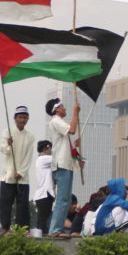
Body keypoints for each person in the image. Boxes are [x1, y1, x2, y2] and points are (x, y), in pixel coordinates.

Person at [45, 98, 80, 238]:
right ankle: (55, 229)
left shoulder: (59, 123)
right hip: (61, 164)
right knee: (62, 199)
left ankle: (57, 228)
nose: (64, 108)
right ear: (56, 109)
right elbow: (72, 130)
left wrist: (76, 150)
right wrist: (75, 112)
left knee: (66, 199)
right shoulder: (55, 121)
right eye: (62, 106)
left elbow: (67, 146)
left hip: (67, 164)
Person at [0, 105, 35, 234]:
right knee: (6, 204)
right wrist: (8, 144)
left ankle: (23, 229)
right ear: (15, 118)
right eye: (20, 117)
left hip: (22, 177)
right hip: (8, 175)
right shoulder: (7, 132)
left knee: (23, 205)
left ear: (28, 119)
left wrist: (21, 172)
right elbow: (3, 150)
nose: (22, 120)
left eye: (25, 117)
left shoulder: (30, 136)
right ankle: (6, 228)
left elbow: (29, 157)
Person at [32, 140, 54, 237]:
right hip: (43, 194)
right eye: (50, 148)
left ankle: (41, 237)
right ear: (45, 148)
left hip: (45, 194)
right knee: (42, 222)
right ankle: (38, 239)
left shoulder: (43, 160)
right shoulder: (43, 159)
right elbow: (58, 158)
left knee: (43, 221)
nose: (51, 150)